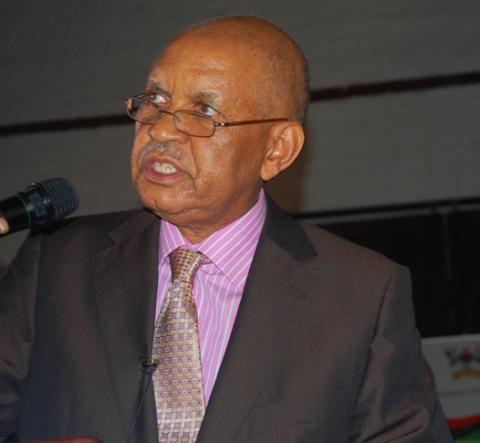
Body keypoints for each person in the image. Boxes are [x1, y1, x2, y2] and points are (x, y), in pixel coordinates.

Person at [0, 16, 453, 443]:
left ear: (277, 149)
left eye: (202, 112)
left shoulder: (362, 295)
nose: (161, 132)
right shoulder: (54, 265)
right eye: (154, 102)